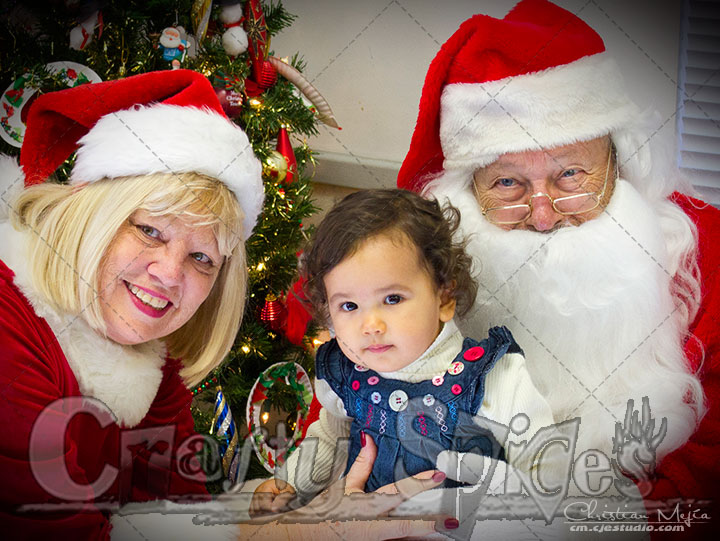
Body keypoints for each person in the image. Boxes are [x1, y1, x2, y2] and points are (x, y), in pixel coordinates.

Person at [0, 70, 447, 541]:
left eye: (201, 258)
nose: (170, 274)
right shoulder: (10, 328)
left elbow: (182, 511)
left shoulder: (152, 359)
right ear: (89, 213)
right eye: (149, 230)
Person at [397, 0, 720, 530]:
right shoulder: (420, 269)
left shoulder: (705, 248)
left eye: (571, 174)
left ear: (620, 161)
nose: (544, 216)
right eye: (507, 183)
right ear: (465, 191)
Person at [252, 188, 559, 512]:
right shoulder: (348, 376)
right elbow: (331, 436)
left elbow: (546, 469)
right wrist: (289, 481)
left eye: (392, 299)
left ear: (443, 298)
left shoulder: (493, 378)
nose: (370, 324)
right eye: (349, 305)